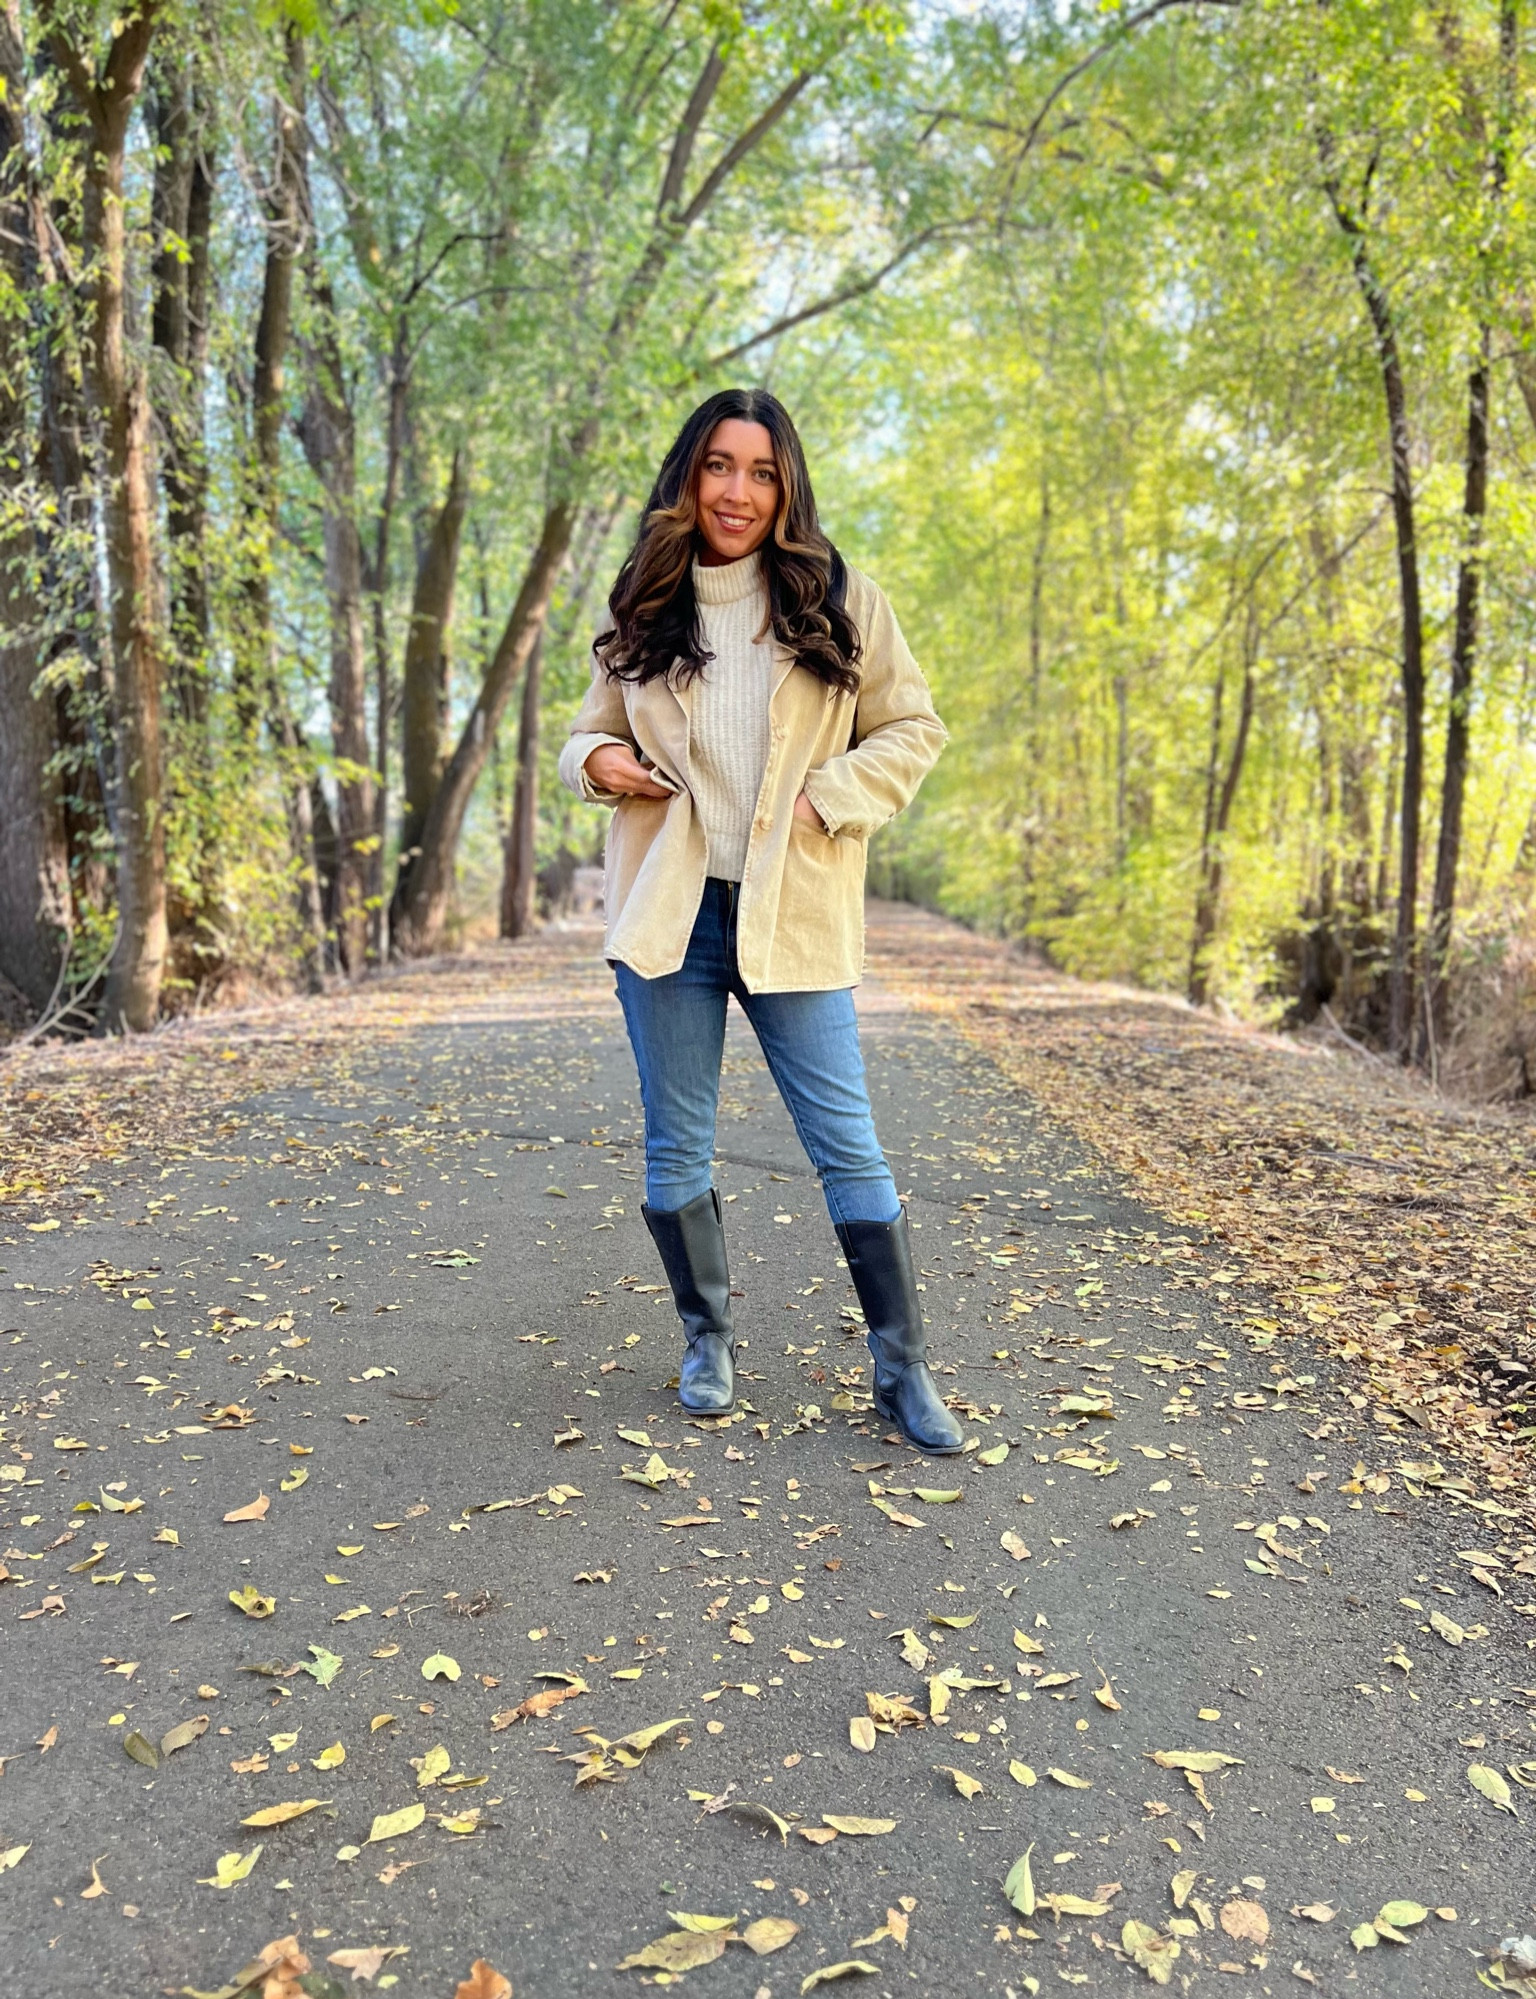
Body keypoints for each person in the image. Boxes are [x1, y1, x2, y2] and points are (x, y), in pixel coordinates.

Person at [558, 387, 963, 1455]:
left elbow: (914, 727)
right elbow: (587, 734)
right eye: (720, 466)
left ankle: (903, 1370)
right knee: (675, 1143)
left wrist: (826, 797)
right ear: (689, 475)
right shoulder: (645, 605)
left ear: (787, 485)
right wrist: (596, 764)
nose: (739, 490)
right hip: (671, 917)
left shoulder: (842, 601)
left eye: (762, 470)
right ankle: (707, 1342)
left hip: (795, 911)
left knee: (847, 1144)